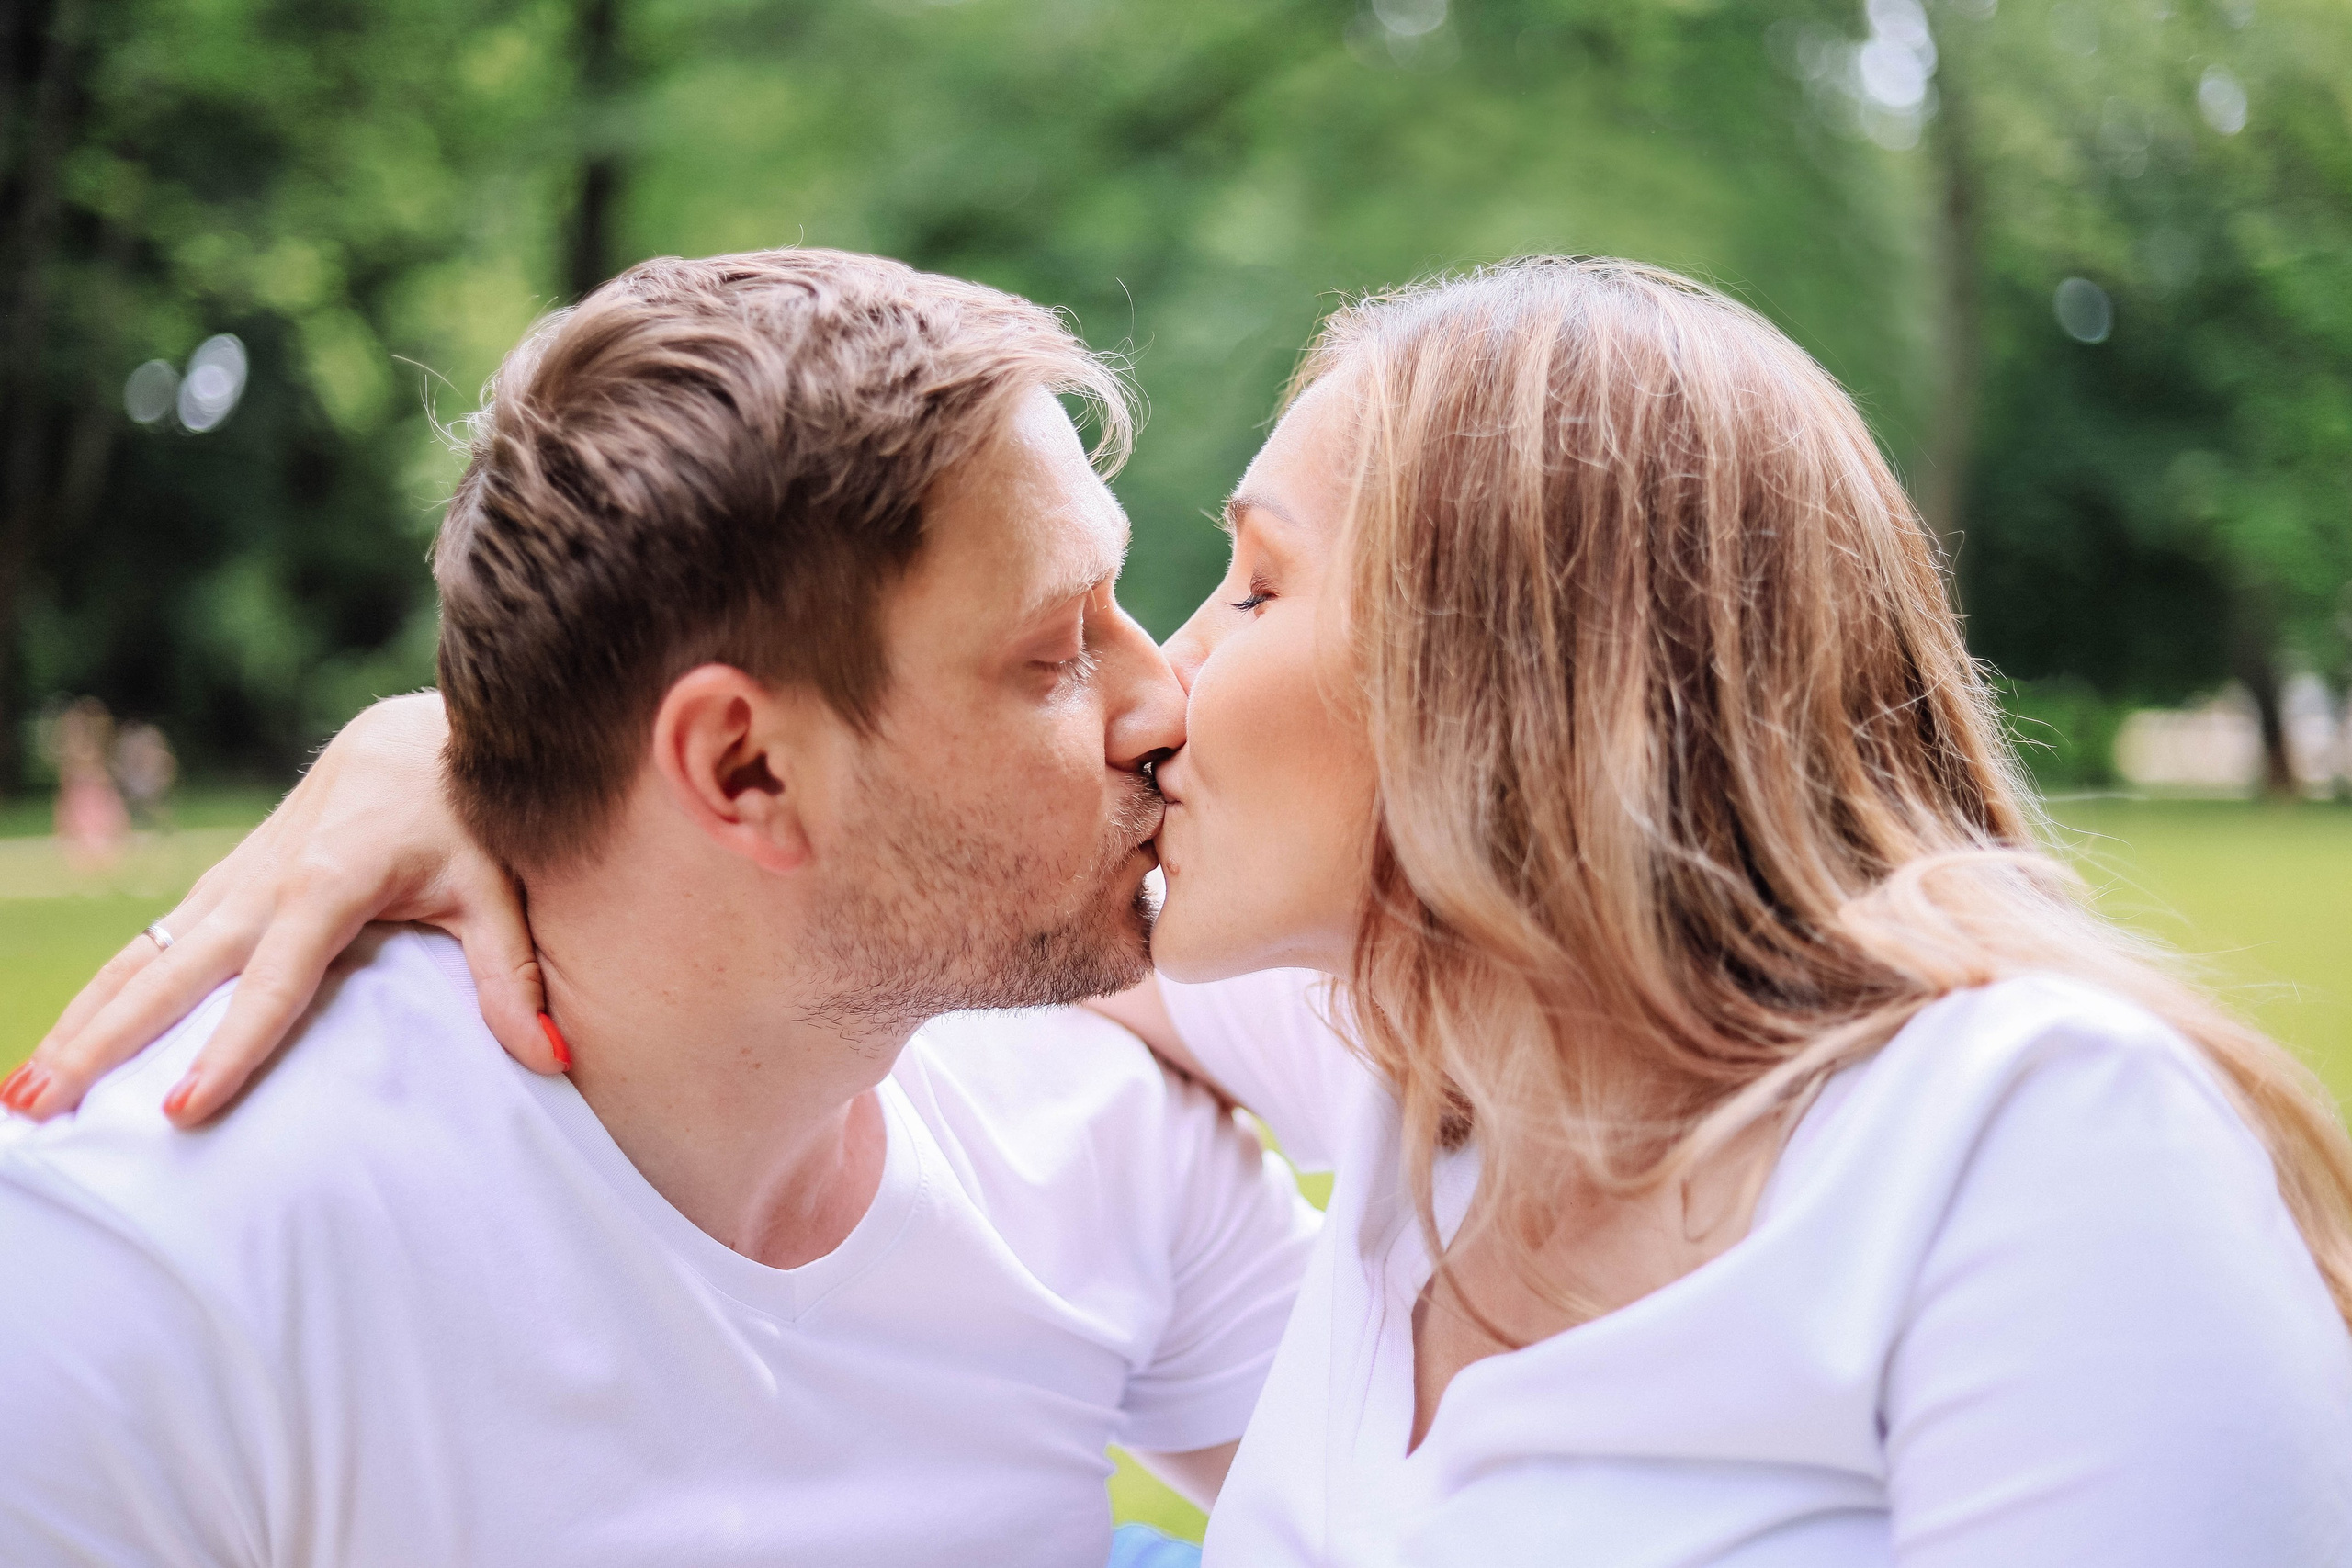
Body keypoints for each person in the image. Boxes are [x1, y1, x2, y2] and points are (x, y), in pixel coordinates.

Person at [23, 257, 2352, 1564]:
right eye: (1091, 637)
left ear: (1509, 695)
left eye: (1231, 589)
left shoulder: (2020, 1145)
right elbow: (717, 838)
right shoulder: (1437, 1064)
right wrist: (458, 749)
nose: (1159, 703)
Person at [0, 250, 1317, 1567]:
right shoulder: (160, 1278)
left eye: (1115, 603)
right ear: (743, 767)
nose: (1163, 706)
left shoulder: (1091, 1127)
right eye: (1053, 655)